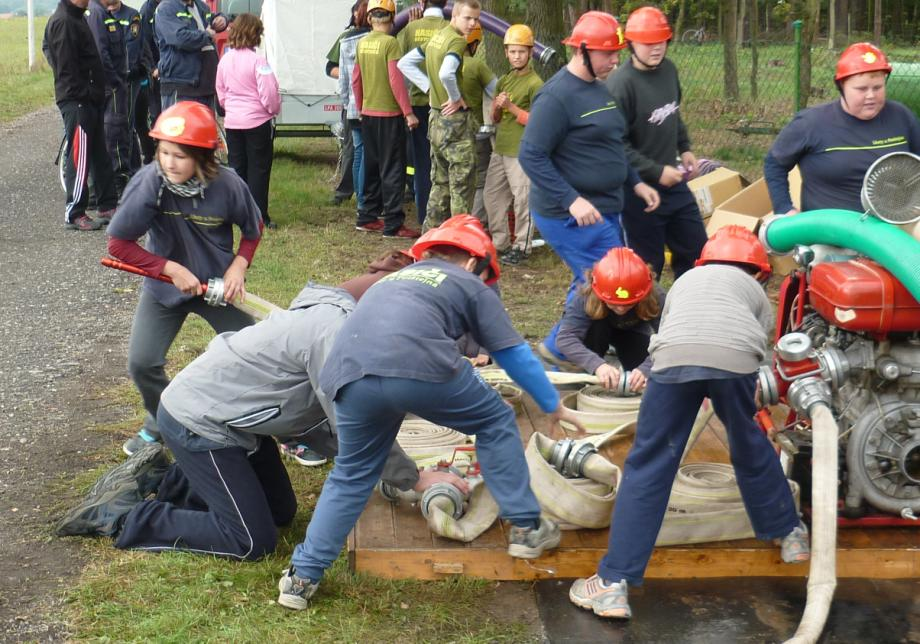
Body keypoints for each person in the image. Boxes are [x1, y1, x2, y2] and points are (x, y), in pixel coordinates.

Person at [55, 255, 468, 563]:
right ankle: (124, 516)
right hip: (198, 423)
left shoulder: (343, 322)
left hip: (238, 425)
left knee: (281, 513)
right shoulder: (335, 333)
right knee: (250, 540)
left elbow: (320, 421)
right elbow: (352, 426)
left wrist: (397, 472)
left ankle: (168, 480)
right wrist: (413, 478)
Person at [276, 216, 587, 610]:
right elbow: (512, 353)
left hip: (346, 374)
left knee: (352, 473)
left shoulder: (391, 280)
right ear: (475, 262)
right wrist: (551, 404)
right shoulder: (469, 283)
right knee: (495, 421)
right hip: (418, 366)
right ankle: (527, 528)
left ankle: (302, 577)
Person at [568, 226, 809, 620]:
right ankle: (790, 534)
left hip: (675, 360)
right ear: (759, 271)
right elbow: (756, 341)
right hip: (735, 361)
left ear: (704, 261)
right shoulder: (754, 290)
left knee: (649, 466)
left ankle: (613, 585)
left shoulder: (684, 281)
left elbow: (677, 330)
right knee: (749, 443)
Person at [108, 102, 263, 456]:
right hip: (165, 288)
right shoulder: (149, 183)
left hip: (216, 289)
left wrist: (238, 265)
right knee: (142, 362)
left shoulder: (228, 185)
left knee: (258, 354)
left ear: (202, 156)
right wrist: (170, 269)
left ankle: (283, 429)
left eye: (179, 155)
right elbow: (118, 243)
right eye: (163, 152)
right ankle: (162, 420)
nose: (169, 163)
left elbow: (253, 230)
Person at [517, 11, 659, 368]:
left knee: (590, 279)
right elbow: (531, 155)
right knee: (612, 277)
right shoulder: (555, 98)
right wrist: (572, 201)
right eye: (608, 53)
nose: (616, 60)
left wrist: (636, 182)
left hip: (606, 206)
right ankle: (561, 349)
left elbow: (611, 144)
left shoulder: (600, 91)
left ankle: (575, 343)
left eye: (617, 53)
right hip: (569, 214)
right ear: (581, 50)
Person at [607, 7, 707, 280]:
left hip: (673, 183)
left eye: (661, 41)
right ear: (631, 44)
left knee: (698, 251)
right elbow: (616, 145)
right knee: (647, 267)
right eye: (648, 43)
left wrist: (684, 147)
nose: (656, 49)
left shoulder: (669, 71)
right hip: (638, 191)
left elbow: (673, 114)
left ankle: (689, 310)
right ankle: (646, 320)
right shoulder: (620, 84)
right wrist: (655, 171)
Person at [765, 42, 920, 215]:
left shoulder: (901, 116)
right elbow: (774, 163)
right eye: (861, 89)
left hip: (893, 223)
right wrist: (784, 208)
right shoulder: (811, 123)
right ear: (841, 87)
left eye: (878, 87)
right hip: (832, 231)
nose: (871, 95)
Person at [397, 0, 482, 231]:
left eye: (476, 19)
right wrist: (455, 97)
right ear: (454, 15)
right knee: (461, 187)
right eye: (468, 18)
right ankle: (459, 243)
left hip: (435, 120)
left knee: (440, 184)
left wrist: (429, 87)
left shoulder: (437, 38)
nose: (473, 24)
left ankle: (428, 240)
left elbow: (405, 63)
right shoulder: (455, 40)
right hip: (454, 124)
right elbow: (446, 73)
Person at [43, 0, 119, 231]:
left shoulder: (77, 16)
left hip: (89, 99)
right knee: (80, 156)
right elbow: (66, 68)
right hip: (77, 101)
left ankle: (106, 205)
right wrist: (85, 93)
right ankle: (74, 212)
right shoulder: (64, 21)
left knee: (99, 154)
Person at [351, 0, 420, 238]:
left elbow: (356, 79)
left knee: (372, 166)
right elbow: (395, 79)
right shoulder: (391, 43)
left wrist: (360, 106)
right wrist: (408, 112)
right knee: (393, 169)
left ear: (369, 18)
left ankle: (367, 217)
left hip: (368, 114)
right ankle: (393, 224)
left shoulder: (362, 42)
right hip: (389, 115)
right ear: (392, 18)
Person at [555, 247, 664, 390]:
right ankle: (585, 378)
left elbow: (672, 338)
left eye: (628, 304)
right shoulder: (585, 294)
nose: (620, 309)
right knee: (589, 364)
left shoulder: (655, 294)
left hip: (633, 331)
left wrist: (646, 368)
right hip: (596, 330)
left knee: (645, 379)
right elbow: (565, 338)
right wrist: (597, 365)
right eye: (614, 303)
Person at [483, 23, 542, 266]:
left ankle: (522, 247)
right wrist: (497, 107)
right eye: (512, 51)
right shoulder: (504, 80)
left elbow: (537, 121)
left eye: (521, 51)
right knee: (492, 196)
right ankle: (500, 243)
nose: (517, 56)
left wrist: (509, 107)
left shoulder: (535, 83)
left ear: (529, 53)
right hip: (501, 148)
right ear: (506, 52)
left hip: (522, 151)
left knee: (523, 199)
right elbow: (496, 119)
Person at [216, 13, 282, 229]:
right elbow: (269, 94)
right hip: (257, 122)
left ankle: (238, 214)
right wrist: (273, 110)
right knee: (259, 170)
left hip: (233, 122)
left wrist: (231, 108)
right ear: (255, 35)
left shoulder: (225, 59)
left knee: (237, 169)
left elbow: (221, 91)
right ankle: (259, 216)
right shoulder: (259, 61)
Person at [397, 0, 448, 225]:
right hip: (445, 104)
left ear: (421, 2)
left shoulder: (409, 27)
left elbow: (397, 60)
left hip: (417, 104)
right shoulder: (450, 28)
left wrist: (412, 27)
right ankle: (445, 218)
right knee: (444, 162)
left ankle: (423, 216)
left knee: (421, 162)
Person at [86, 0, 132, 197]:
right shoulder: (96, 14)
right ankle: (115, 185)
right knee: (114, 134)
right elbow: (100, 52)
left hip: (115, 83)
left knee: (118, 132)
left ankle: (109, 187)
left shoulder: (104, 13)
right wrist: (115, 80)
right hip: (110, 85)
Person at [154, 0, 227, 110]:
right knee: (180, 126)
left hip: (206, 86)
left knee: (205, 127)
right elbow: (179, 38)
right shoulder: (166, 8)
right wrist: (206, 35)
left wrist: (222, 19)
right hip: (181, 87)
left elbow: (213, 18)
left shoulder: (201, 6)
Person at [459, 25, 496, 226]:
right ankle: (476, 223)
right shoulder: (476, 66)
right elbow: (496, 90)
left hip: (451, 131)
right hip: (477, 132)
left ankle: (453, 221)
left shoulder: (443, 62)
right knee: (481, 179)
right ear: (473, 44)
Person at [327, 3, 364, 206]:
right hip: (353, 103)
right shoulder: (347, 37)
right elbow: (329, 68)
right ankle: (344, 191)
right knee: (353, 149)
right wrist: (349, 75)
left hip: (367, 103)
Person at [337, 2, 371, 220]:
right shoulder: (379, 40)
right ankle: (367, 201)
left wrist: (346, 102)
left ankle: (361, 201)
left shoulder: (346, 40)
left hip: (352, 106)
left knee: (359, 151)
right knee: (369, 154)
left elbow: (342, 80)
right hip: (373, 105)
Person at [138, 0, 163, 163]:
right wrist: (153, 67)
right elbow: (144, 43)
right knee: (156, 113)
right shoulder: (147, 10)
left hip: (167, 68)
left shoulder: (169, 5)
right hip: (155, 71)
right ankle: (156, 153)